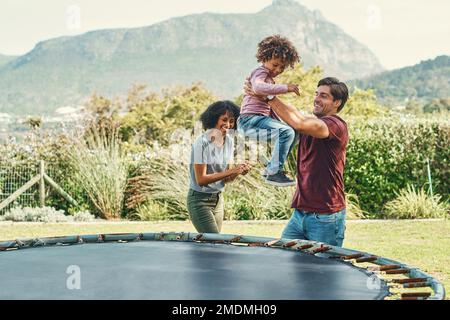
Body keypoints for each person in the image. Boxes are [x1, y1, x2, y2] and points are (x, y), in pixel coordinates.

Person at [245, 77, 349, 247]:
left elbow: (299, 122)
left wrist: (269, 96)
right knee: (286, 259)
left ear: (337, 102)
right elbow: (293, 116)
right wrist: (257, 97)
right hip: (300, 214)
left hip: (326, 217)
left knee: (325, 270)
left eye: (323, 96)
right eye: (316, 94)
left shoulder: (336, 125)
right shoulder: (310, 122)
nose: (316, 98)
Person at [238, 34, 300, 187]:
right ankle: (274, 172)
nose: (278, 70)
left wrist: (282, 122)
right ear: (264, 58)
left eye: (282, 67)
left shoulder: (269, 78)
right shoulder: (260, 73)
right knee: (287, 132)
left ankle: (272, 169)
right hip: (250, 121)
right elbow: (258, 87)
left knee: (294, 132)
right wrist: (286, 88)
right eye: (275, 65)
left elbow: (269, 108)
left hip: (257, 122)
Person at [187, 100, 251, 233]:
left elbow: (227, 179)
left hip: (218, 199)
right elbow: (201, 180)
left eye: (232, 121)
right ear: (214, 120)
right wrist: (233, 170)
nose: (228, 124)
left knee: (214, 245)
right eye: (224, 119)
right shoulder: (202, 143)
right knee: (214, 242)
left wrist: (238, 171)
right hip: (200, 201)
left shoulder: (229, 141)